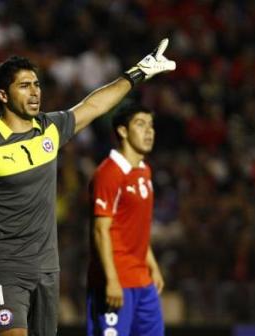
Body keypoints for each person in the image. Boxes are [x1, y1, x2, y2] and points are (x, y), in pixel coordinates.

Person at [0, 39, 175, 336]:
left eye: (36, 84)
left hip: (48, 268)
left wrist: (138, 72)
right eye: (24, 85)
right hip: (5, 267)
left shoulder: (50, 129)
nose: (35, 91)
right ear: (2, 94)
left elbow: (95, 104)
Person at [86, 104, 165, 336]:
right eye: (140, 125)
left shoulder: (144, 171)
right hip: (115, 282)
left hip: (143, 281)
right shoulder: (108, 173)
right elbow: (100, 231)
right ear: (122, 131)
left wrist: (153, 266)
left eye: (151, 126)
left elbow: (136, 227)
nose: (149, 131)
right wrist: (111, 280)